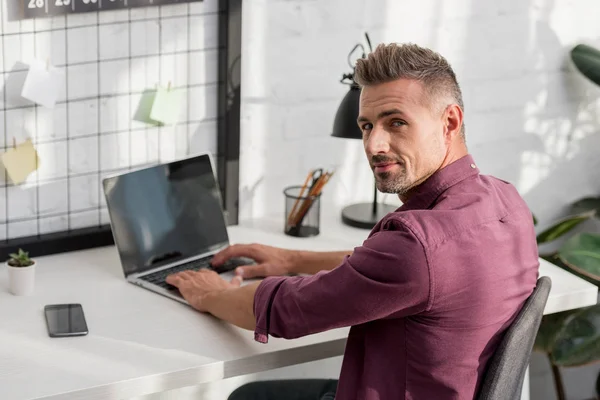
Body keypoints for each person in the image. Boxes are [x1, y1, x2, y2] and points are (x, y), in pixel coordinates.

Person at [166, 42, 540, 399]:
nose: (374, 145)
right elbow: (404, 268)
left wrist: (210, 293)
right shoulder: (505, 201)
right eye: (366, 126)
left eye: (396, 123)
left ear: (449, 122)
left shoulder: (416, 247)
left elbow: (284, 311)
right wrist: (292, 259)